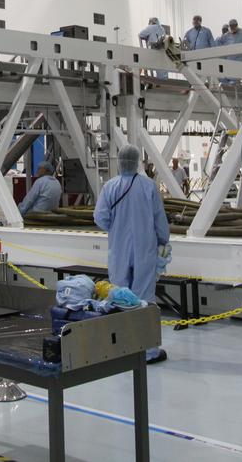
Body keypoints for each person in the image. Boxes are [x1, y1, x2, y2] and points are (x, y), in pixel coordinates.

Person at [94, 144, 170, 364]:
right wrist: (164, 241)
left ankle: (120, 349)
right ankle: (148, 351)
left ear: (119, 162)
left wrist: (115, 227)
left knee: (118, 296)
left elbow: (100, 217)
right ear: (137, 162)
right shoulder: (148, 187)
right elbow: (159, 220)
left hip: (118, 249)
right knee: (144, 298)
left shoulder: (110, 187)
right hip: (144, 249)